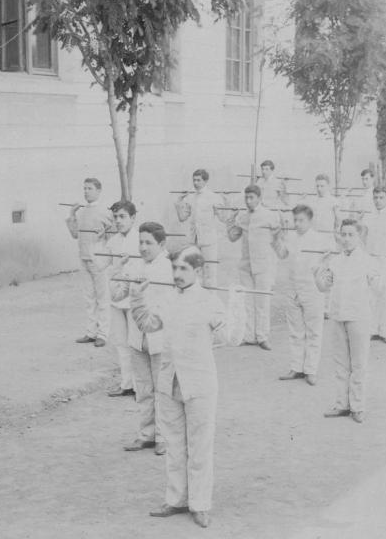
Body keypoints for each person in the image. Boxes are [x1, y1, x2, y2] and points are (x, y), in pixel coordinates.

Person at [131, 246, 244, 529]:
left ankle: (200, 504)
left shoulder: (209, 301)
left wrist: (236, 304)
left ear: (198, 271)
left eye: (183, 269)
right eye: (175, 269)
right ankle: (176, 499)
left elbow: (231, 338)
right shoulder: (167, 299)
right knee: (174, 445)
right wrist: (138, 295)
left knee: (200, 447)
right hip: (170, 383)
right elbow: (147, 323)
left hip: (200, 385)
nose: (177, 274)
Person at [315, 219, 380, 424]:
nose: (346, 239)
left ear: (359, 237)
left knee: (358, 364)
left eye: (351, 235)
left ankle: (358, 406)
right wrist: (320, 272)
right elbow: (323, 287)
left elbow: (379, 287)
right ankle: (341, 404)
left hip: (359, 316)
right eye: (343, 234)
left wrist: (376, 277)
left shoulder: (368, 260)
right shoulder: (334, 261)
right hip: (337, 315)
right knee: (341, 363)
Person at [122, 222, 170, 456]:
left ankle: (163, 436)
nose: (143, 247)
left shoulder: (170, 268)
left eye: (148, 243)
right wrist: (122, 273)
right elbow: (116, 293)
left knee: (163, 389)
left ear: (161, 244)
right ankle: (146, 434)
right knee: (143, 389)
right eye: (140, 242)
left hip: (159, 339)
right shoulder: (134, 265)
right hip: (137, 337)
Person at [274, 205, 327, 385]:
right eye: (295, 220)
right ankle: (296, 367)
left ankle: (311, 370)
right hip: (293, 288)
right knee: (296, 331)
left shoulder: (319, 239)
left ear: (310, 221)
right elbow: (281, 254)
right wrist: (276, 239)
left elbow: (329, 262)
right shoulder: (291, 237)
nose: (297, 224)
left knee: (314, 331)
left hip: (312, 289)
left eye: (301, 220)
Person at [226, 185, 282, 349]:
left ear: (259, 198)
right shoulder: (242, 217)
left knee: (262, 302)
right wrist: (231, 220)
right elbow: (232, 238)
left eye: (252, 198)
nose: (249, 201)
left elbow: (278, 236)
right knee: (248, 302)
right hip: (246, 265)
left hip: (263, 265)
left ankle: (262, 336)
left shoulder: (270, 215)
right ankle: (250, 336)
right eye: (247, 198)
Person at [65, 178, 113, 347]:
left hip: (98, 259)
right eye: (84, 188)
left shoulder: (106, 211)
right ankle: (91, 332)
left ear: (99, 191)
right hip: (83, 258)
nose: (86, 191)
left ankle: (103, 334)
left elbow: (114, 235)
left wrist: (105, 233)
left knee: (102, 297)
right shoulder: (82, 211)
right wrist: (71, 214)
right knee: (89, 297)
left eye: (90, 188)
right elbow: (75, 235)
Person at [106, 200, 141, 397]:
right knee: (120, 341)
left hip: (135, 297)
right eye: (115, 217)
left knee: (135, 342)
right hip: (116, 297)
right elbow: (105, 267)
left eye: (123, 217)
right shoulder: (112, 242)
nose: (118, 221)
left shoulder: (141, 240)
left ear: (133, 218)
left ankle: (139, 386)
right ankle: (126, 384)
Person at [361, 186, 386, 345]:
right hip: (372, 259)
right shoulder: (368, 217)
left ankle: (385, 331)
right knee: (371, 295)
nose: (378, 201)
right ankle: (372, 329)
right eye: (375, 197)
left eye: (381, 198)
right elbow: (363, 238)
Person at [174, 169, 227, 286]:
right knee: (194, 271)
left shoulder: (213, 197)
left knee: (210, 273)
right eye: (194, 180)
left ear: (205, 181)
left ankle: (210, 299)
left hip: (209, 241)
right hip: (194, 241)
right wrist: (178, 201)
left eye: (198, 180)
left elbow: (223, 218)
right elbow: (182, 218)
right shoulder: (190, 197)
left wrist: (226, 202)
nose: (196, 183)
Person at [298, 173, 339, 250]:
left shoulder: (333, 201)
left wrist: (334, 233)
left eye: (322, 186)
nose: (319, 189)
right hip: (314, 238)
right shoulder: (312, 200)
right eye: (317, 186)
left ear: (328, 186)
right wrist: (301, 199)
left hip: (327, 238)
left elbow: (338, 221)